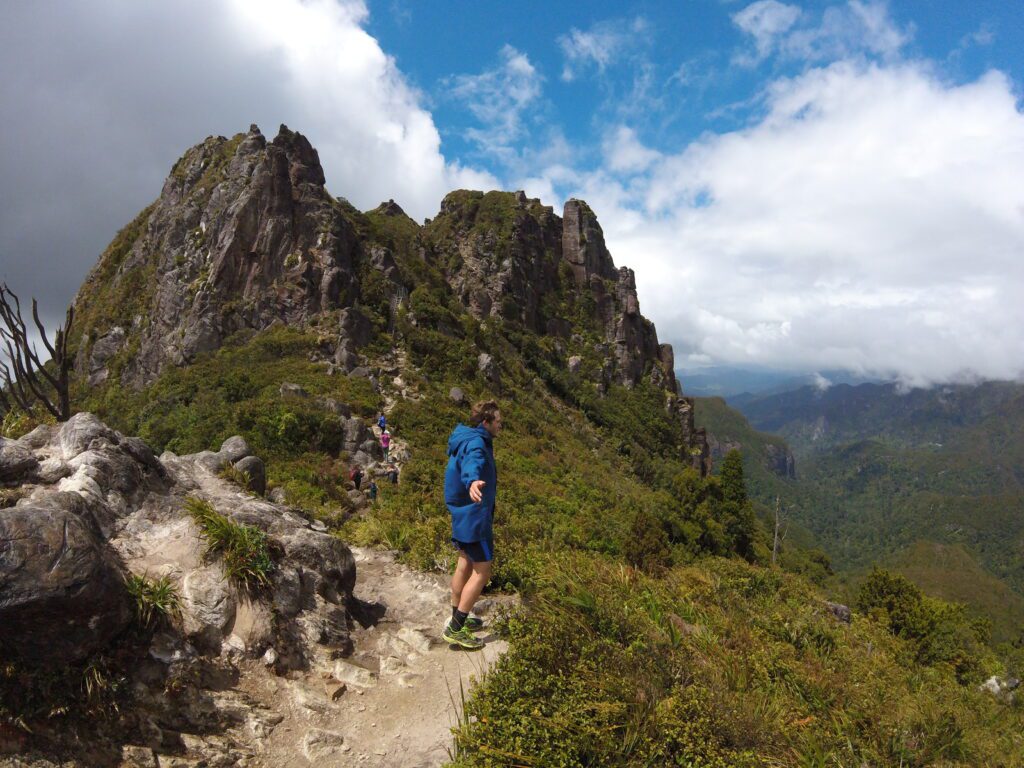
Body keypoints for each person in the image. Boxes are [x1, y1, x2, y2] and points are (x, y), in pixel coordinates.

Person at [442, 400, 502, 650]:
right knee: (482, 570)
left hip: (462, 514)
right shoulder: (478, 443)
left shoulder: (465, 437)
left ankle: (458, 615)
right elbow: (472, 464)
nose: (502, 427)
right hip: (475, 516)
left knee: (464, 562)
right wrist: (473, 482)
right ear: (486, 422)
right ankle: (456, 629)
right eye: (499, 422)